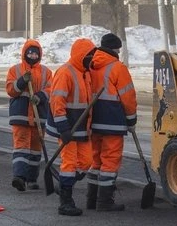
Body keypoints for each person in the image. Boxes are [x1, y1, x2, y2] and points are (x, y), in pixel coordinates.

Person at [85, 33, 137, 212]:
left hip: (93, 120)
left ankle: (91, 199)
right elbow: (128, 96)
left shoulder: (90, 65)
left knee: (96, 161)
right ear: (116, 49)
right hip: (113, 120)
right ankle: (105, 201)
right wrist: (131, 119)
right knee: (110, 160)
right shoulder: (117, 68)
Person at [45, 38, 96, 216]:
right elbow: (56, 101)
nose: (92, 59)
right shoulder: (65, 72)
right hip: (68, 126)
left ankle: (64, 185)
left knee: (87, 161)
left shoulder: (86, 73)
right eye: (89, 56)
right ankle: (65, 201)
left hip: (81, 127)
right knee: (69, 163)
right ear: (81, 55)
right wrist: (63, 128)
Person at [5, 40, 53, 192]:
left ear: (40, 55)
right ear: (24, 53)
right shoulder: (16, 70)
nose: (33, 55)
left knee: (35, 149)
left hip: (39, 116)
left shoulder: (46, 72)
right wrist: (22, 81)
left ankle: (32, 179)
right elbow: (11, 90)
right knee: (21, 148)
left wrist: (40, 96)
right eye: (30, 53)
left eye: (35, 53)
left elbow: (52, 89)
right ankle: (19, 177)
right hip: (21, 116)